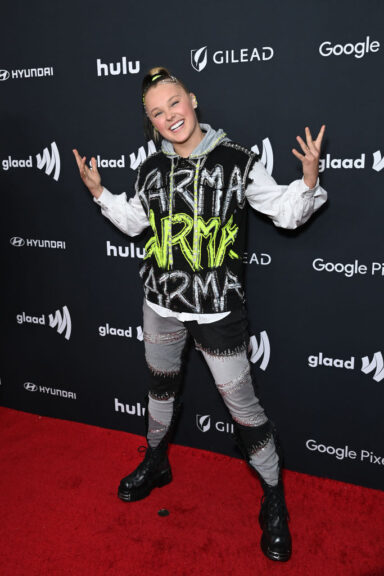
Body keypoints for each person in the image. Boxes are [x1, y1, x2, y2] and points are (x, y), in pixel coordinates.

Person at [73, 66, 327, 562]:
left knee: (243, 408)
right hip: (159, 303)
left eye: (174, 103)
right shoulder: (149, 169)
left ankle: (273, 493)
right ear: (150, 123)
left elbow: (285, 211)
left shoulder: (238, 160)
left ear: (192, 99)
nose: (170, 116)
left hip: (218, 310)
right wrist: (100, 193)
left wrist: (309, 179)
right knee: (159, 390)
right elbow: (135, 223)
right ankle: (156, 462)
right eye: (157, 113)